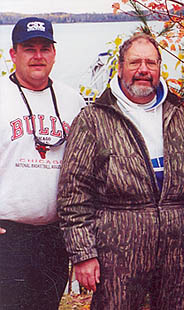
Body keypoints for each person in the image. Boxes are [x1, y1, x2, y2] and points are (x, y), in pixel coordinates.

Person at [57, 33, 184, 309]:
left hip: (180, 250)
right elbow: (73, 193)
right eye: (135, 63)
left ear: (160, 67)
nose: (143, 70)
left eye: (151, 63)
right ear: (120, 67)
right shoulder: (94, 119)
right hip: (118, 249)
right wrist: (83, 254)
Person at [0, 17, 86, 309]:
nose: (38, 56)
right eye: (29, 48)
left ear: (53, 53)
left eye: (44, 48)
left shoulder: (73, 101)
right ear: (14, 54)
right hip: (8, 237)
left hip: (55, 236)